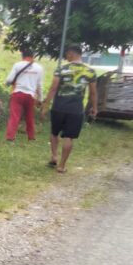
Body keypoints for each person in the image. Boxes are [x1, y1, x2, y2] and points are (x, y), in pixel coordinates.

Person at [41, 44, 97, 173]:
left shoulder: (62, 69)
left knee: (54, 133)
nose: (66, 57)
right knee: (69, 137)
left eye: (67, 54)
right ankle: (61, 165)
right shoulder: (90, 71)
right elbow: (93, 93)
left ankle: (54, 156)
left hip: (58, 107)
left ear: (71, 54)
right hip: (76, 109)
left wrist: (46, 105)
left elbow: (53, 88)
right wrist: (94, 108)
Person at [5, 49, 44, 141]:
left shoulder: (17, 65)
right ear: (33, 56)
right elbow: (39, 85)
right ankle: (31, 136)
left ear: (22, 56)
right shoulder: (39, 68)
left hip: (18, 93)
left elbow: (9, 80)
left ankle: (10, 136)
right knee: (29, 116)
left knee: (15, 116)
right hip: (30, 95)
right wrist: (40, 99)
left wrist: (7, 83)